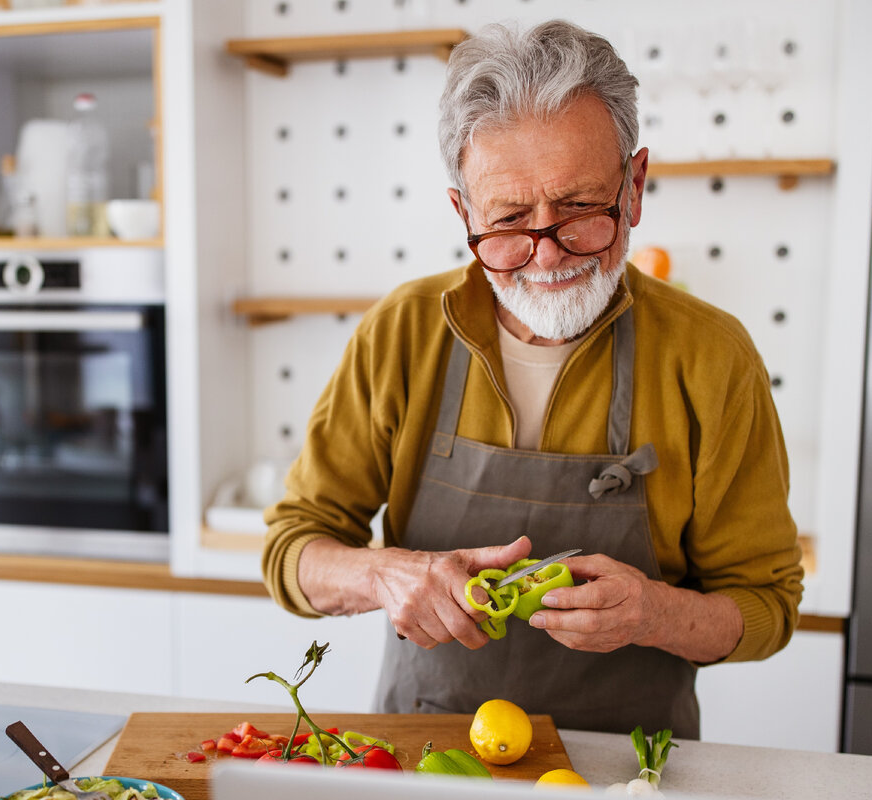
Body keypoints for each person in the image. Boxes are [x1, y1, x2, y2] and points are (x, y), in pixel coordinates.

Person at [261, 19, 803, 738]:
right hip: (427, 756)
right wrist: (384, 575)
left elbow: (768, 605)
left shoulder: (712, 357)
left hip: (628, 770)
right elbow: (292, 549)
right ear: (463, 212)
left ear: (634, 187)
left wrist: (658, 613)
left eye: (580, 209)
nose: (547, 256)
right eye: (510, 219)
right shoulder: (403, 331)